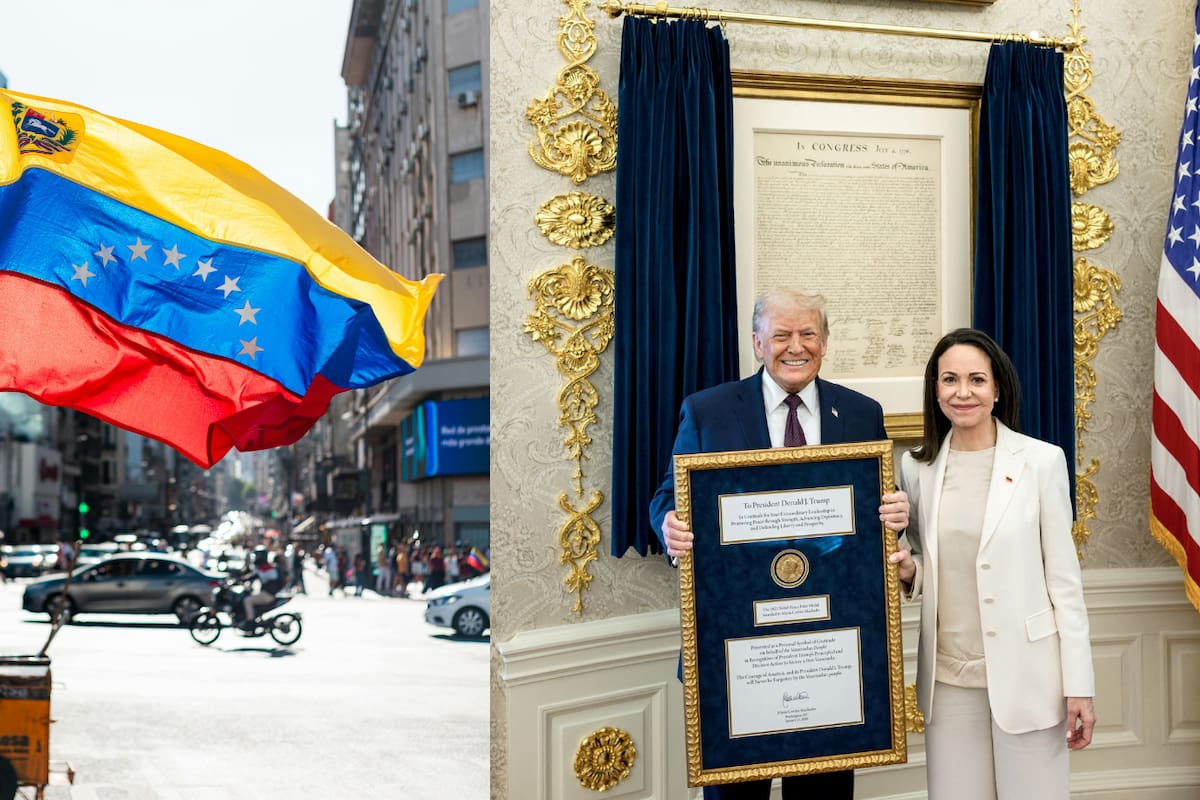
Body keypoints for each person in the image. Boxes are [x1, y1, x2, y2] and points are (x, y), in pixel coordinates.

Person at [649, 288, 910, 800]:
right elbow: (668, 496)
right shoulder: (708, 410)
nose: (797, 346)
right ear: (757, 343)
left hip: (831, 639)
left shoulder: (860, 413)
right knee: (735, 793)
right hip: (736, 640)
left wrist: (895, 516)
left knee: (824, 791)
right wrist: (669, 524)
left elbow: (871, 516)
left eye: (808, 334)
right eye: (783, 335)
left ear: (825, 342)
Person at [888, 328, 1095, 799]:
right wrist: (909, 572)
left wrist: (1079, 685)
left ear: (997, 389)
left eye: (977, 380)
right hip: (948, 680)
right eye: (950, 380)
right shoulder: (916, 468)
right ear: (935, 389)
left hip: (1029, 676)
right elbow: (923, 557)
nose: (963, 392)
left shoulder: (1041, 462)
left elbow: (1065, 582)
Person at [241, 551, 282, 629]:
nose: (256, 558)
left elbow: (253, 576)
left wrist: (242, 579)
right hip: (268, 593)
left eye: (257, 556)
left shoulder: (264, 568)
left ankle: (250, 621)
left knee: (247, 600)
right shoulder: (267, 567)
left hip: (267, 594)